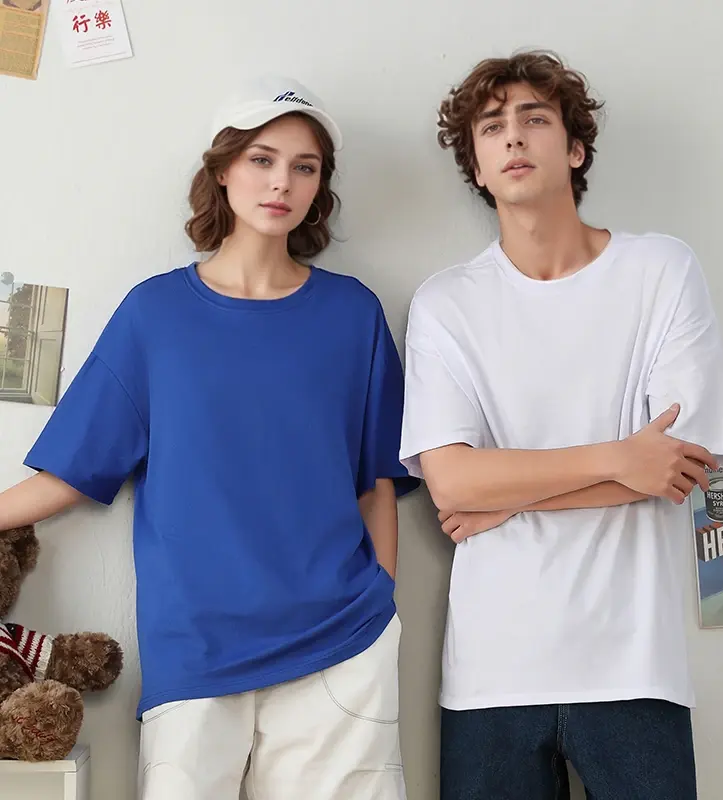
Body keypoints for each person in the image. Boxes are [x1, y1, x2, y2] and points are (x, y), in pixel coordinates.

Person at [0, 75, 418, 800]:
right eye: (261, 159)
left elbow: (374, 480)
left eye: (305, 167)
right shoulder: (154, 314)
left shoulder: (352, 314)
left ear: (319, 186)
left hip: (342, 640)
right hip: (194, 649)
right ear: (222, 168)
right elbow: (74, 470)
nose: (281, 182)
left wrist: (383, 594)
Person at [398, 50, 723, 800]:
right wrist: (619, 458)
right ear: (477, 166)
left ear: (575, 148)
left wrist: (503, 496)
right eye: (493, 127)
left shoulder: (661, 271)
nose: (514, 137)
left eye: (536, 119)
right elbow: (450, 483)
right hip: (491, 672)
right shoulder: (446, 303)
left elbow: (679, 467)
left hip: (635, 664)